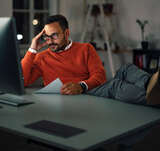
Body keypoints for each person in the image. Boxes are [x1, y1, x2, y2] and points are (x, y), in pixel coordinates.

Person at [21, 14, 160, 106]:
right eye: (47, 37)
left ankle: (152, 84)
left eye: (55, 36)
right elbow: (23, 80)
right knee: (115, 85)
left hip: (88, 88)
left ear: (66, 33)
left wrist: (81, 86)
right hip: (74, 97)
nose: (50, 41)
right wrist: (32, 49)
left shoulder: (85, 48)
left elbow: (100, 77)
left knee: (127, 68)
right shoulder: (41, 57)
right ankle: (156, 100)